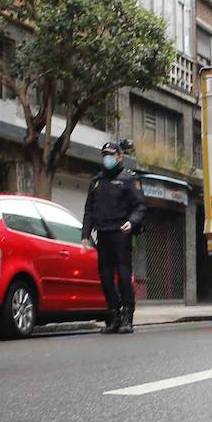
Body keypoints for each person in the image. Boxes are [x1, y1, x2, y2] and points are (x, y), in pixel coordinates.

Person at [82, 142, 145, 334]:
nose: (106, 158)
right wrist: (85, 234)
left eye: (110, 155)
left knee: (124, 277)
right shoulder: (97, 181)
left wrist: (132, 222)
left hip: (121, 234)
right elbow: (89, 211)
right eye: (104, 155)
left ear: (119, 156)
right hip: (103, 234)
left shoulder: (129, 179)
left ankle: (127, 316)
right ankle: (113, 316)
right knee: (106, 278)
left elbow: (140, 206)